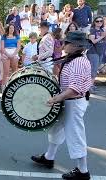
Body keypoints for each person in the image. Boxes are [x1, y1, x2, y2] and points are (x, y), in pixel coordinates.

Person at [31, 31, 92, 180]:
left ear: (76, 46)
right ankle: (49, 157)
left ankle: (83, 171)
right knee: (56, 129)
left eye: (66, 43)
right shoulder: (74, 58)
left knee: (75, 135)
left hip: (73, 102)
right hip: (69, 101)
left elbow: (74, 89)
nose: (63, 44)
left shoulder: (78, 62)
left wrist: (56, 98)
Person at [87, 16, 106, 93]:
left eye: (101, 21)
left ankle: (91, 85)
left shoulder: (102, 30)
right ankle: (89, 87)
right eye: (97, 21)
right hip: (93, 52)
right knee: (93, 70)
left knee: (95, 70)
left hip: (100, 52)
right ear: (94, 22)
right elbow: (93, 41)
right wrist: (102, 36)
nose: (99, 22)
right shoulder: (92, 30)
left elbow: (105, 41)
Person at [0, 24, 21, 89]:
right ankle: (3, 86)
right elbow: (2, 47)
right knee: (6, 71)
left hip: (14, 53)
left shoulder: (17, 36)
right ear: (8, 29)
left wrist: (13, 54)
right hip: (6, 53)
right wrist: (8, 54)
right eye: (10, 28)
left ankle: (15, 85)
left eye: (13, 28)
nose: (11, 29)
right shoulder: (4, 36)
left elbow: (18, 47)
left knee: (14, 70)